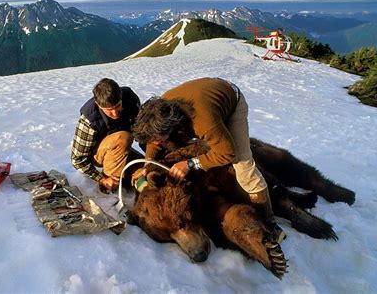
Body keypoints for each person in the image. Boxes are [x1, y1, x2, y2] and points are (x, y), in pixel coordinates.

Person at [132, 77, 284, 240]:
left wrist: (190, 164)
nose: (156, 143)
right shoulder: (158, 113)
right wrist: (147, 166)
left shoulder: (202, 120)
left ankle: (269, 222)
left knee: (243, 167)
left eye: (158, 139)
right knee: (194, 143)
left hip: (231, 103)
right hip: (205, 100)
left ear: (169, 127)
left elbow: (228, 153)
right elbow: (154, 143)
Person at [71, 78, 141, 193]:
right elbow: (77, 159)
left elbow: (142, 131)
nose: (115, 113)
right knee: (122, 138)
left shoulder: (130, 99)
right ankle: (110, 190)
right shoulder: (89, 119)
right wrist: (102, 179)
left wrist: (151, 159)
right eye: (109, 110)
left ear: (121, 96)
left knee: (144, 168)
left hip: (121, 148)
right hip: (98, 154)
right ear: (98, 104)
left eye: (118, 106)